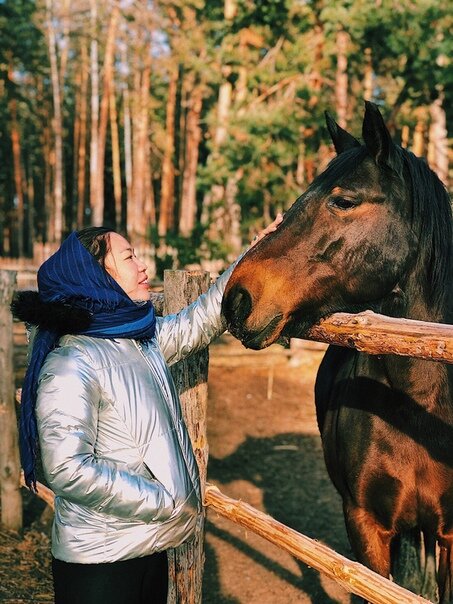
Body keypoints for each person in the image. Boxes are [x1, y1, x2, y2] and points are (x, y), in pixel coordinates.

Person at [11, 215, 282, 604]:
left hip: (146, 547)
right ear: (97, 277)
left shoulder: (139, 340)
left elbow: (199, 321)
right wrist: (163, 501)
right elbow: (65, 468)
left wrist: (254, 252)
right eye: (129, 257)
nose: (143, 266)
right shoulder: (71, 362)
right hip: (100, 566)